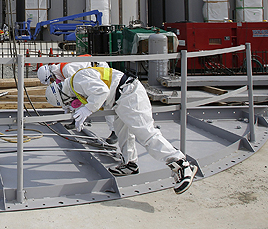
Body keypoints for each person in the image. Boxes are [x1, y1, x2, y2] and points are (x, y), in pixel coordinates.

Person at [45, 64, 198, 194]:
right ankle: (130, 164)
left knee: (146, 133)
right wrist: (85, 108)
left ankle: (180, 164)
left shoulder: (77, 81)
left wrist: (87, 109)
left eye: (65, 102)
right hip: (121, 98)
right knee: (123, 133)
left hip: (129, 94)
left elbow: (102, 91)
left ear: (62, 95)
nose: (69, 103)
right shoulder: (74, 83)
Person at [37, 58, 117, 144]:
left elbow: (78, 93)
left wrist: (82, 110)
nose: (55, 81)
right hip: (94, 74)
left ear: (51, 74)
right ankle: (76, 120)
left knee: (105, 102)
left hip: (101, 74)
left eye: (52, 79)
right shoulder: (62, 70)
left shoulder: (67, 70)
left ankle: (114, 131)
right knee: (99, 99)